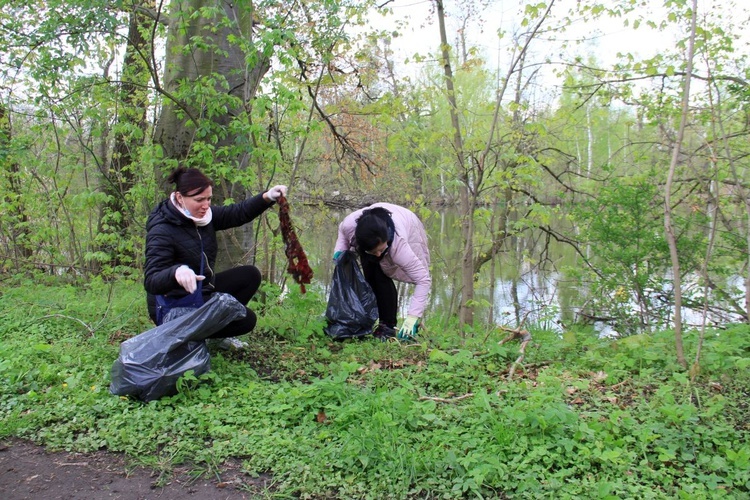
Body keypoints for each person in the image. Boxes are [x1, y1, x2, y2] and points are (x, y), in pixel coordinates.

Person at [144, 166, 287, 349]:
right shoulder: (162, 230)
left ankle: (212, 330)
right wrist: (175, 272)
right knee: (246, 320)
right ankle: (189, 336)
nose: (206, 205)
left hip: (199, 291)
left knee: (250, 275)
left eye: (209, 199)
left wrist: (267, 197)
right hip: (173, 306)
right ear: (180, 198)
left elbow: (237, 213)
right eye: (199, 200)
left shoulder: (203, 216)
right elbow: (152, 280)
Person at [333, 203, 431, 341]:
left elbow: (423, 279)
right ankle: (370, 320)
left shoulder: (399, 245)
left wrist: (413, 316)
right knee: (371, 274)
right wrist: (340, 251)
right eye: (374, 251)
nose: (379, 254)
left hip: (408, 223)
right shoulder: (350, 226)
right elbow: (343, 234)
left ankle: (387, 326)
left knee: (382, 274)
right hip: (371, 235)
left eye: (381, 249)